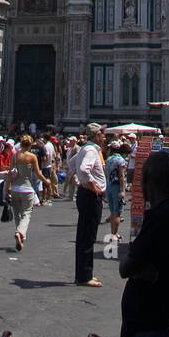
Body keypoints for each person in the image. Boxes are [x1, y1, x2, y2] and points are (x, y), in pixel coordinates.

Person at [119, 152, 169, 337]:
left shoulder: (162, 217)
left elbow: (126, 267)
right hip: (154, 321)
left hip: (148, 323)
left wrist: (135, 263)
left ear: (148, 181)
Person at [74, 123, 106, 287]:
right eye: (102, 134)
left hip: (84, 194)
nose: (105, 137)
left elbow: (72, 164)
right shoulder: (91, 150)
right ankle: (85, 276)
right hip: (90, 196)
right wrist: (93, 186)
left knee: (83, 235)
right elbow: (83, 169)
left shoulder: (84, 149)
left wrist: (82, 181)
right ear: (96, 136)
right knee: (88, 236)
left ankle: (82, 274)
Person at [4, 135, 49, 252]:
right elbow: (38, 174)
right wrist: (46, 181)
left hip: (15, 189)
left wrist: (6, 189)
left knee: (17, 213)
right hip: (27, 189)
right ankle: (20, 233)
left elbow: (10, 173)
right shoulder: (32, 157)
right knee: (27, 213)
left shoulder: (15, 156)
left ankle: (20, 235)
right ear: (30, 145)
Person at [105, 141, 127, 239]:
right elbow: (121, 176)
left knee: (112, 212)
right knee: (117, 212)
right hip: (117, 187)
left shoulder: (108, 159)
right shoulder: (121, 160)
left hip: (109, 186)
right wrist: (123, 190)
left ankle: (113, 233)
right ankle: (114, 234)